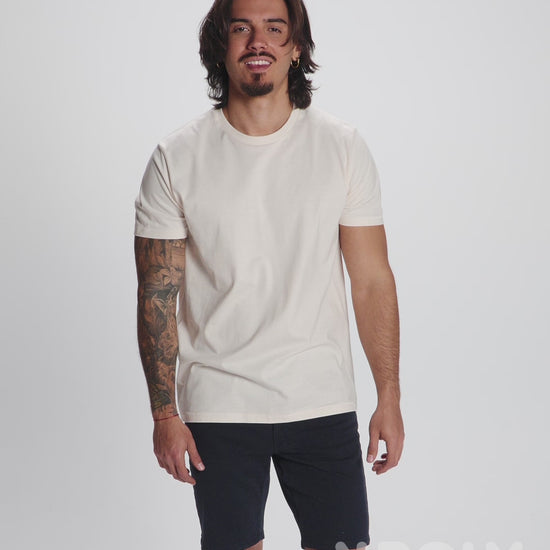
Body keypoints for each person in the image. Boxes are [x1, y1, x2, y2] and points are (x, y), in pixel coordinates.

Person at [133, 0, 404, 549]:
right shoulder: (175, 157)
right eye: (242, 28)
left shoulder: (341, 147)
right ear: (221, 44)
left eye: (274, 28)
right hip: (220, 404)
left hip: (320, 397)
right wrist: (164, 415)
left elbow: (372, 280)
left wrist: (389, 396)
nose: (258, 42)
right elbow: (157, 292)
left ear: (295, 47)